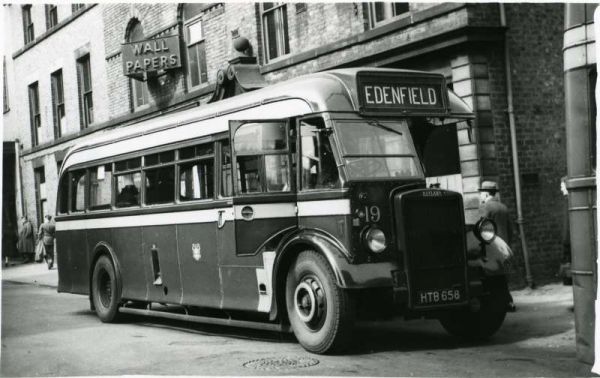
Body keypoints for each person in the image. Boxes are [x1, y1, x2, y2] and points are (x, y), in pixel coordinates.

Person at [478, 180, 516, 312]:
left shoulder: (486, 208)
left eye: (481, 193)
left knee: (493, 277)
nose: (480, 196)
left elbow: (482, 229)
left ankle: (501, 303)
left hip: (491, 247)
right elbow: (511, 230)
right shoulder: (503, 207)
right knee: (503, 276)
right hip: (504, 247)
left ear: (486, 194)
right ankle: (508, 302)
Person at [557, 176, 572, 285]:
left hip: (569, 238)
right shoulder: (568, 200)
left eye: (562, 186)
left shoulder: (568, 201)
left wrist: (565, 240)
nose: (561, 189)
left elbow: (567, 224)